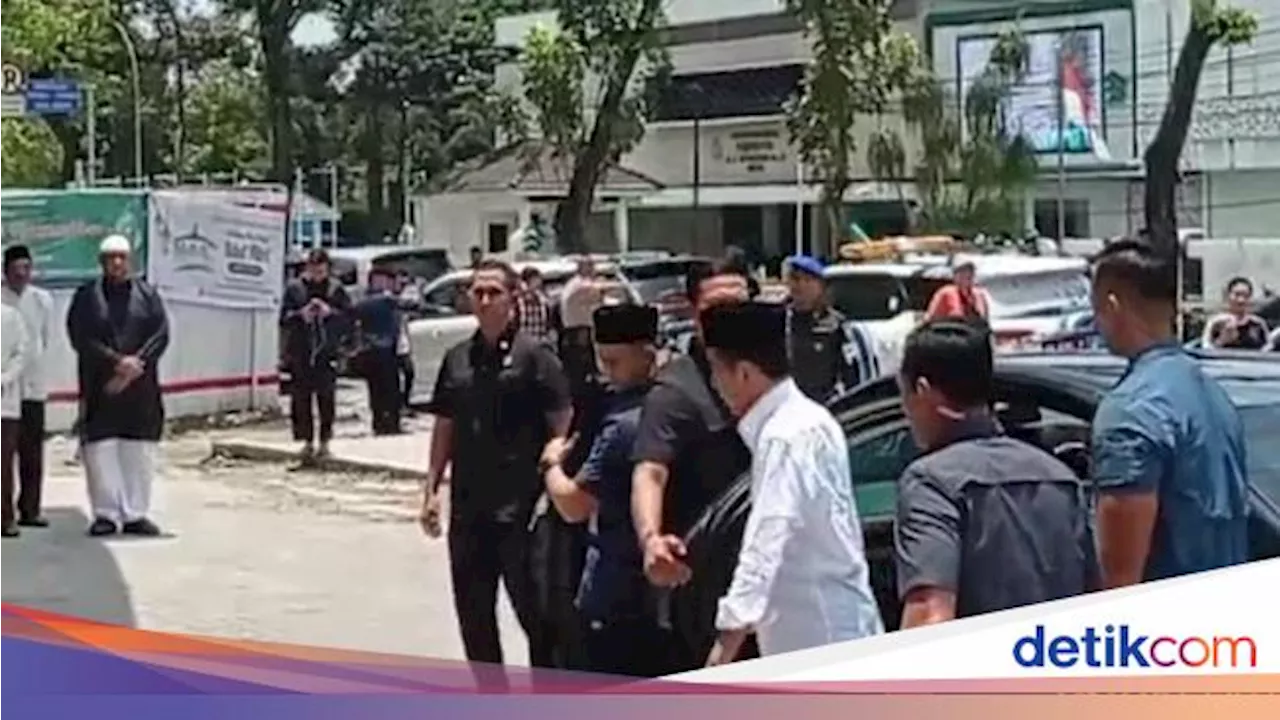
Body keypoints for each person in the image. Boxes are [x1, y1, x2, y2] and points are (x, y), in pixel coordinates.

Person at [698, 300, 883, 663]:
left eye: (716, 371)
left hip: (823, 648)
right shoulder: (809, 420)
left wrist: (726, 644)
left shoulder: (785, 436)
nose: (714, 385)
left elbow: (768, 534)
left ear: (745, 374)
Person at [419, 258, 572, 689]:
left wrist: (557, 467)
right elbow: (444, 425)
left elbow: (563, 421)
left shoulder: (536, 357)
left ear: (514, 299)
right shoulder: (457, 359)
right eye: (477, 292)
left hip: (522, 511)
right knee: (474, 617)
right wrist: (431, 489)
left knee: (537, 616)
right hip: (470, 509)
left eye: (493, 292)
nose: (484, 300)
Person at [892, 320, 1098, 628]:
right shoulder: (1060, 477)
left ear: (923, 391)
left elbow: (929, 615)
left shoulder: (931, 484)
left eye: (903, 395)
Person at [1089, 240, 1249, 587]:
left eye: (1096, 309)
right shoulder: (1211, 393)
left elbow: (1120, 578)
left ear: (1112, 305)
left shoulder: (1131, 409)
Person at [630, 258, 753, 673]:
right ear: (694, 313)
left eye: (739, 305)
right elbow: (650, 471)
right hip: (703, 586)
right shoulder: (677, 391)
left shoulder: (778, 374)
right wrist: (651, 539)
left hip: (772, 581)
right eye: (716, 308)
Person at [542, 304, 665, 677]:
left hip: (616, 589)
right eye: (602, 360)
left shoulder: (624, 424)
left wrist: (551, 465)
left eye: (614, 362)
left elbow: (573, 505)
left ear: (646, 355)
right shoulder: (671, 404)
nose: (605, 372)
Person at [66, 235, 170, 537]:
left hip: (140, 388)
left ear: (130, 260)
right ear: (101, 262)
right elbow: (80, 337)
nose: (117, 263)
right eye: (110, 257)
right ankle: (106, 514)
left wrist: (135, 365)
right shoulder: (86, 296)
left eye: (122, 257)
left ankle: (136, 513)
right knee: (101, 452)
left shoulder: (148, 295)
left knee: (138, 452)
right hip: (102, 386)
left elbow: (161, 334)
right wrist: (115, 363)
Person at [0, 245, 55, 527]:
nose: (21, 274)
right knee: (3, 455)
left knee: (32, 452)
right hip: (5, 392)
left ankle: (30, 509)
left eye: (26, 268)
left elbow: (43, 340)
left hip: (33, 386)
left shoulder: (42, 300)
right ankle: (4, 512)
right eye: (16, 269)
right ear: (5, 271)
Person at [279, 249, 351, 460]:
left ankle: (325, 440)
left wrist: (330, 313)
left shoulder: (336, 289)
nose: (317, 274)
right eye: (313, 269)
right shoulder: (295, 289)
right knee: (301, 400)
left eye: (321, 270)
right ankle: (306, 441)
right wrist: (302, 315)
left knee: (326, 399)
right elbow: (284, 318)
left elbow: (349, 317)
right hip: (301, 351)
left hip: (327, 351)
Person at [784, 255, 878, 402]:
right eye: (795, 279)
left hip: (822, 403)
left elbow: (849, 372)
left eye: (807, 280)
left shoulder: (835, 324)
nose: (800, 285)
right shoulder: (779, 319)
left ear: (820, 286)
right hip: (787, 405)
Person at [354, 267, 403, 435]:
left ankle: (392, 422)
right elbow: (357, 311)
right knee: (376, 389)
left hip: (392, 350)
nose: (382, 283)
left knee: (393, 388)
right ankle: (380, 422)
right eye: (379, 279)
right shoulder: (371, 300)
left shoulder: (392, 300)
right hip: (373, 350)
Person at [0, 297, 27, 538]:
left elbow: (21, 354)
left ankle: (5, 518)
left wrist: (4, 379)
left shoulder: (11, 316)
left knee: (3, 465)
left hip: (4, 402)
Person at [1202, 276, 1268, 350]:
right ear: (1228, 296)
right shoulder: (1215, 323)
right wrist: (1222, 340)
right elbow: (1206, 349)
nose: (1241, 300)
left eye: (1246, 296)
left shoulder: (1258, 324)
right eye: (1237, 295)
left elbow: (1267, 350)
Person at [923, 259, 990, 326]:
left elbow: (985, 320)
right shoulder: (945, 293)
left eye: (970, 271)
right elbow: (930, 319)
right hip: (953, 333)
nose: (967, 274)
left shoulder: (979, 295)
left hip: (974, 333)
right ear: (955, 276)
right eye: (962, 272)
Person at [516, 266, 556, 348]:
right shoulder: (517, 302)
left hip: (539, 344)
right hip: (522, 346)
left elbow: (548, 324)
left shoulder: (543, 301)